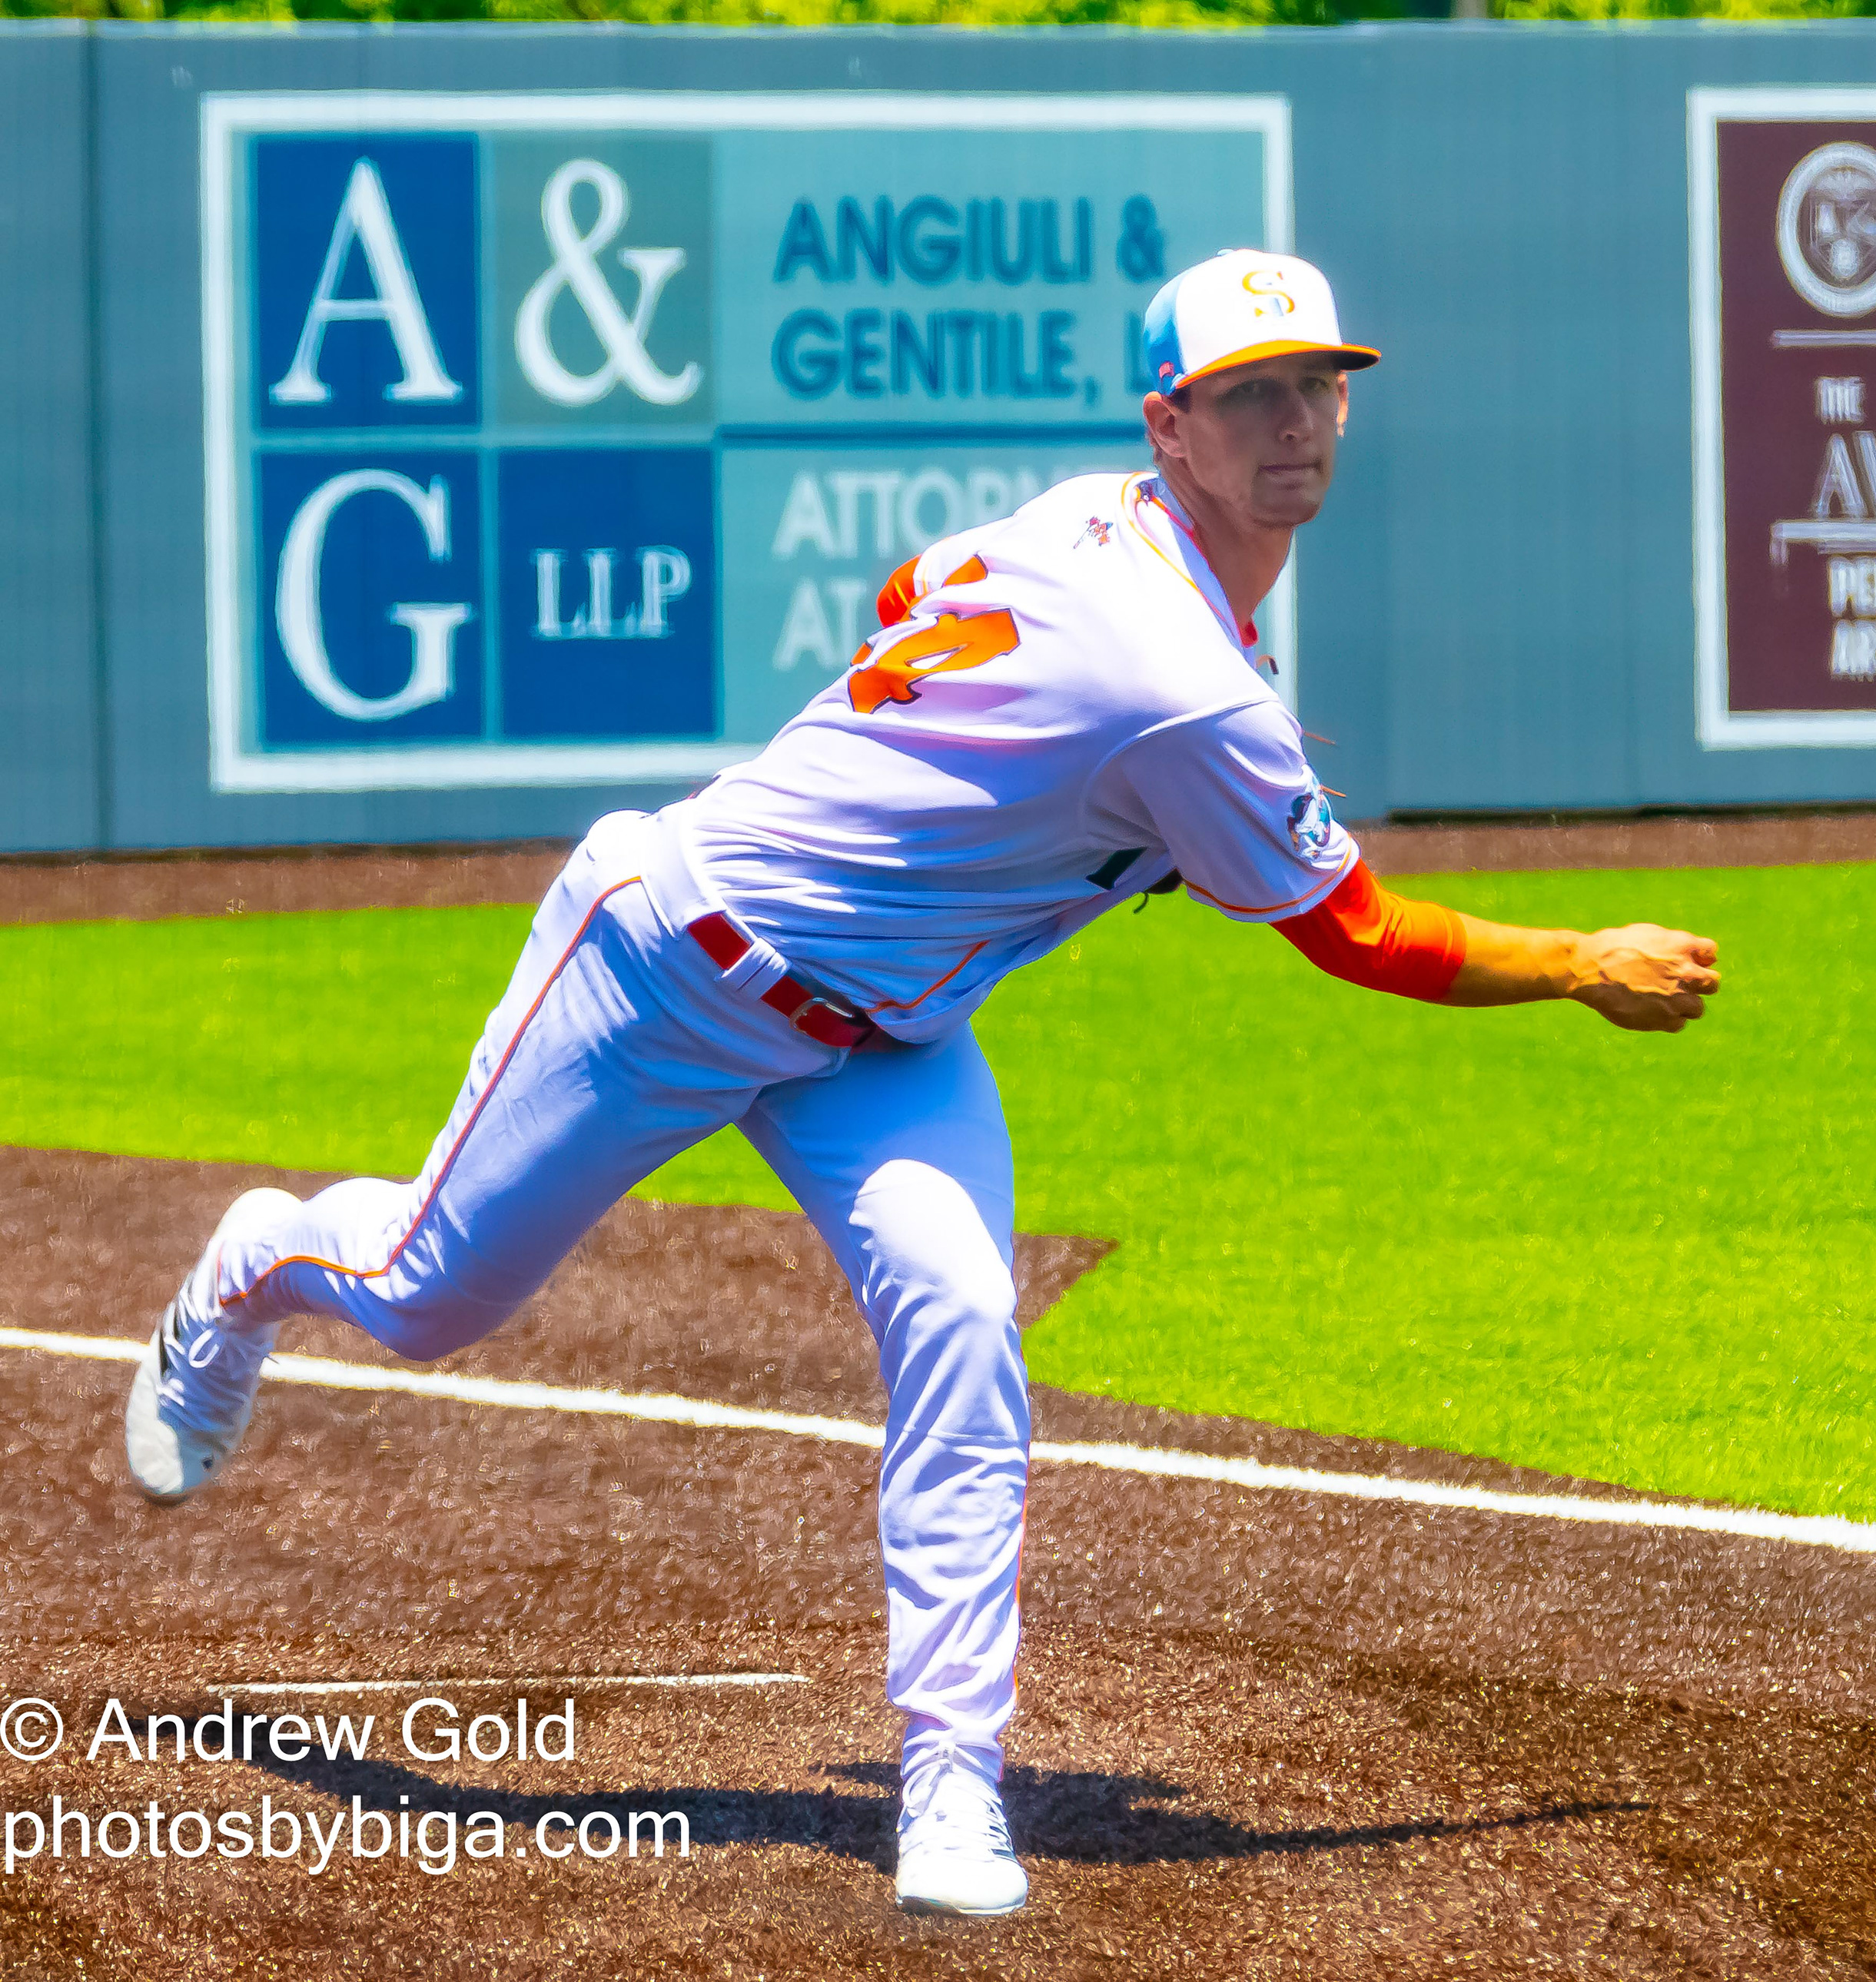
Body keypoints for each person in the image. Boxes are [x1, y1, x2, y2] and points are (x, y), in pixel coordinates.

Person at [121, 249, 1720, 1920]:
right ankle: (248, 1267)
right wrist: (1583, 962)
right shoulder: (1181, 680)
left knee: (964, 1322)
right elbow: (1366, 933)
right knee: (428, 1295)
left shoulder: (1090, 522)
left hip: (881, 1038)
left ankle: (949, 1785)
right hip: (668, 958)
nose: (1296, 424)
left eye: (1318, 386)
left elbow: (906, 593)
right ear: (1170, 425)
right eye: (1250, 395)